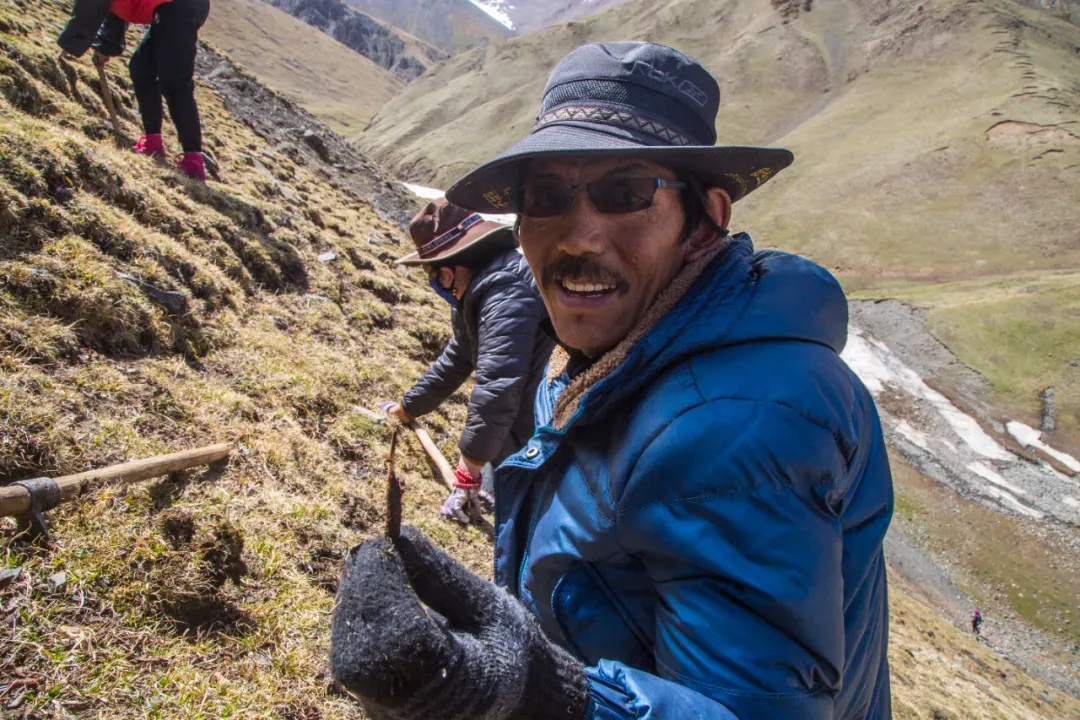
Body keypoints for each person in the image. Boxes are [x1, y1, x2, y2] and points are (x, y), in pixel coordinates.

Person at [330, 42, 893, 720]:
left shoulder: (736, 425)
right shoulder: (611, 356)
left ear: (707, 218)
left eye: (625, 193)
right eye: (546, 198)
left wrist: (534, 692)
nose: (580, 238)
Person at [382, 198, 554, 524]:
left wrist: (467, 470)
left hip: (546, 421)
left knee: (530, 516)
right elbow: (458, 357)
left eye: (434, 275)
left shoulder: (505, 292)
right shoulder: (476, 289)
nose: (435, 284)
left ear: (449, 271)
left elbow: (498, 387)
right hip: (523, 416)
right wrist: (408, 408)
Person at [57, 0, 211, 182]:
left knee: (175, 83)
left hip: (179, 7)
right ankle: (152, 142)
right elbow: (115, 11)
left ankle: (193, 161)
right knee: (141, 68)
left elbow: (89, 9)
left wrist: (70, 45)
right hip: (169, 8)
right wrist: (106, 47)